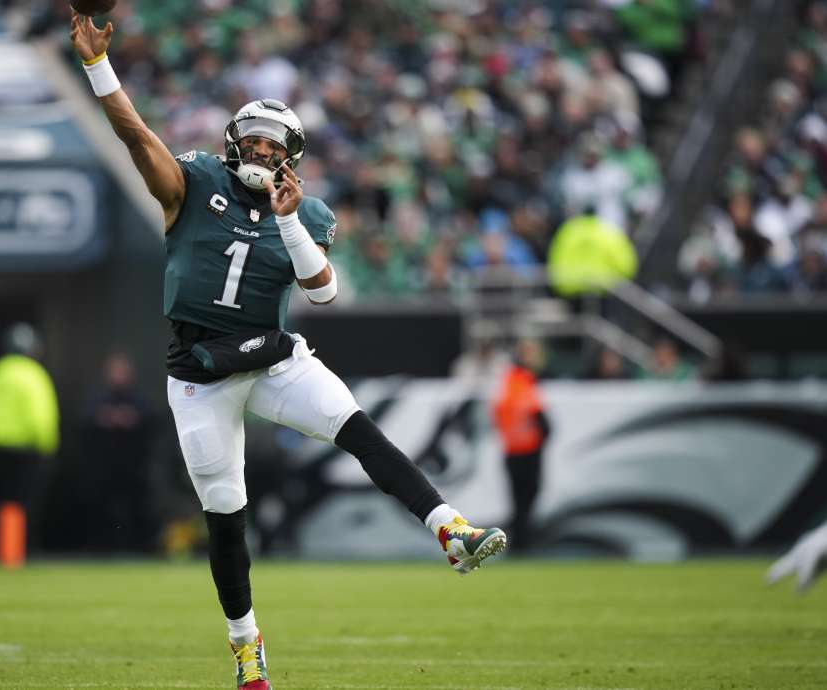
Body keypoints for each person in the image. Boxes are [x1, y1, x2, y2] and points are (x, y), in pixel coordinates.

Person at [70, 14, 506, 689]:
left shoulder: (305, 213)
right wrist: (100, 67)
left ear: (292, 159)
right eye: (254, 141)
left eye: (276, 147)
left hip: (273, 359)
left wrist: (287, 220)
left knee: (359, 428)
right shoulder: (191, 184)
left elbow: (324, 293)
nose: (264, 154)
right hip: (200, 374)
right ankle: (246, 646)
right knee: (226, 513)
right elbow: (135, 135)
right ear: (231, 142)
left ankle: (451, 531)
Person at [0, 323, 59, 553]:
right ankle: (26, 549)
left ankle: (6, 550)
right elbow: (41, 415)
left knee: (5, 500)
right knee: (29, 502)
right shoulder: (33, 373)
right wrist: (47, 445)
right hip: (29, 448)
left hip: (0, 447)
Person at [81, 352, 156, 553]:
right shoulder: (98, 397)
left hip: (134, 466)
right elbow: (86, 418)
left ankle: (137, 548)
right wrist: (105, 418)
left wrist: (131, 418)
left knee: (137, 507)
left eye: (122, 371)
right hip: (104, 466)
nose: (118, 375)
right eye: (115, 371)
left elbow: (151, 419)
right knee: (101, 508)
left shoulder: (139, 398)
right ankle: (100, 548)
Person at [491, 339, 552, 553]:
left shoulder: (507, 382)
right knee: (527, 496)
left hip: (512, 449)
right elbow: (538, 415)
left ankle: (519, 541)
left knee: (518, 499)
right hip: (528, 449)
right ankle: (522, 542)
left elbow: (497, 415)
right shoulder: (524, 381)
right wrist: (543, 435)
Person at [768, 520, 827, 594]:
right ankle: (772, 576)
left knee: (810, 576)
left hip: (819, 546)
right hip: (813, 544)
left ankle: (800, 590)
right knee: (798, 567)